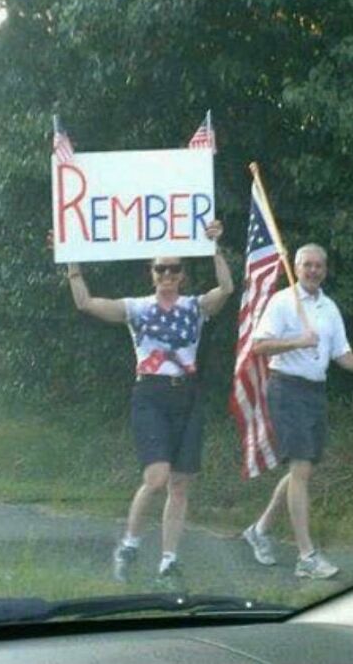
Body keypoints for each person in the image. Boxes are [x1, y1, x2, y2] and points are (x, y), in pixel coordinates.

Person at [58, 220, 233, 585]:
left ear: (182, 274)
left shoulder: (195, 306)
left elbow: (227, 289)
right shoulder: (136, 308)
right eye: (160, 269)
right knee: (156, 478)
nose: (167, 275)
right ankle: (129, 545)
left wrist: (215, 247)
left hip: (187, 393)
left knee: (180, 484)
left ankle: (168, 561)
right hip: (151, 394)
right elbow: (85, 303)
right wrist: (72, 260)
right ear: (151, 274)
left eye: (174, 269)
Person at [242, 243, 353, 579]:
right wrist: (297, 341)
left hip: (315, 391)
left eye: (319, 265)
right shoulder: (282, 302)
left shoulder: (328, 308)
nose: (313, 270)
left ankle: (259, 531)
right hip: (286, 388)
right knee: (301, 468)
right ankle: (306, 557)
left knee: (302, 471)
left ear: (325, 269)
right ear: (296, 267)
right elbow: (259, 346)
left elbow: (341, 353)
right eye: (307, 265)